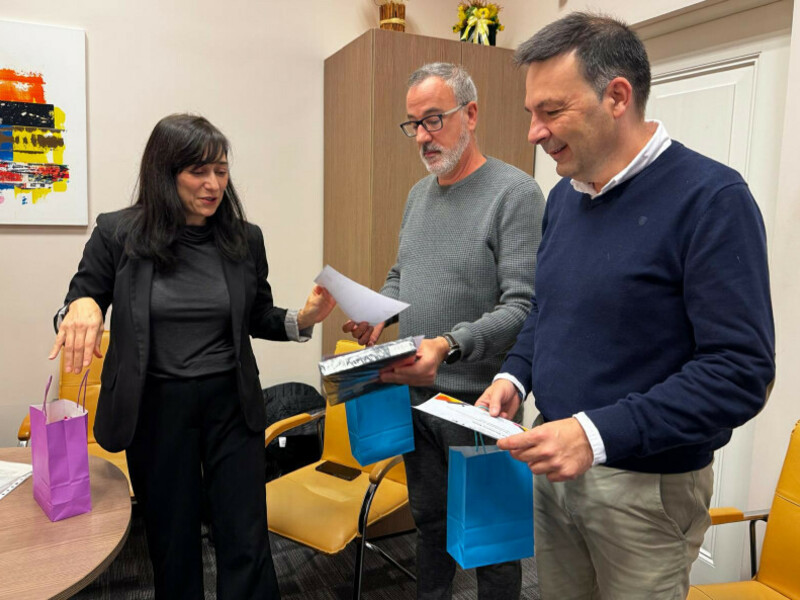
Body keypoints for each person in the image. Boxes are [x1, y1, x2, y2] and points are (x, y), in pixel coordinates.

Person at [476, 13, 776, 599]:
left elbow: (740, 372)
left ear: (617, 97)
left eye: (550, 111)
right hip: (555, 465)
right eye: (531, 113)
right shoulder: (564, 198)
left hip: (646, 491)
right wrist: (516, 374)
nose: (534, 132)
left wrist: (594, 434)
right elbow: (548, 308)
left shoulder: (712, 199)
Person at [48, 114, 336, 600]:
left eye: (221, 171)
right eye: (198, 172)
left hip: (231, 405)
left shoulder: (244, 238)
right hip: (157, 410)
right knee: (172, 542)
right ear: (165, 172)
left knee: (245, 537)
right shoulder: (118, 233)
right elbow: (77, 304)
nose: (213, 184)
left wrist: (303, 319)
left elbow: (258, 315)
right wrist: (82, 306)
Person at [343, 63, 545, 600]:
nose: (423, 137)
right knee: (429, 524)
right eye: (414, 124)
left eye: (434, 119)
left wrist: (450, 344)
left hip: (480, 405)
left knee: (492, 545)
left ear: (471, 114)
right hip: (417, 397)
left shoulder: (515, 193)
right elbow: (402, 272)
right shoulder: (418, 194)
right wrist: (380, 310)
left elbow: (524, 306)